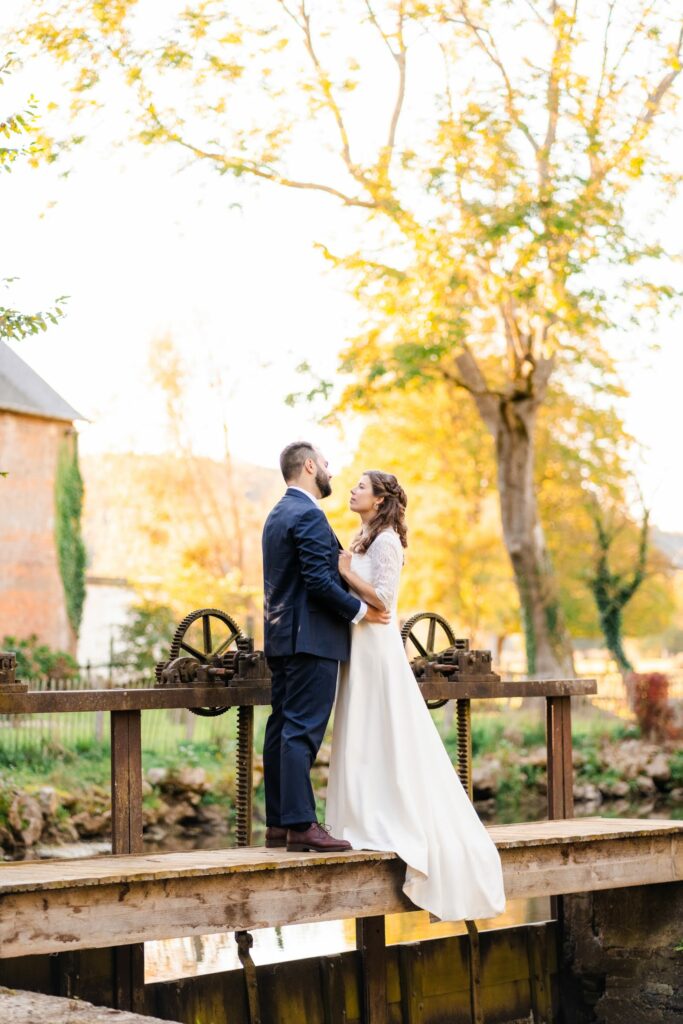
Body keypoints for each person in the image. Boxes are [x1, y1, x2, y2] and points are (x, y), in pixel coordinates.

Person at [326, 470, 506, 921]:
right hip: (359, 642)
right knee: (360, 725)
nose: (352, 491)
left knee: (383, 723)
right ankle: (360, 812)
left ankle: (392, 813)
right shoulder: (362, 536)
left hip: (377, 645)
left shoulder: (386, 540)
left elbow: (384, 601)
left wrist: (346, 574)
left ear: (380, 497)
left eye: (361, 487)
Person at [261, 442, 391, 854]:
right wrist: (360, 612)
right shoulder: (309, 515)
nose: (331, 475)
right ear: (310, 466)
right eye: (328, 466)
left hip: (281, 637)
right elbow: (318, 581)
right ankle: (301, 825)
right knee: (301, 730)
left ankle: (279, 823)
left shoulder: (276, 514)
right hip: (312, 639)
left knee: (281, 727)